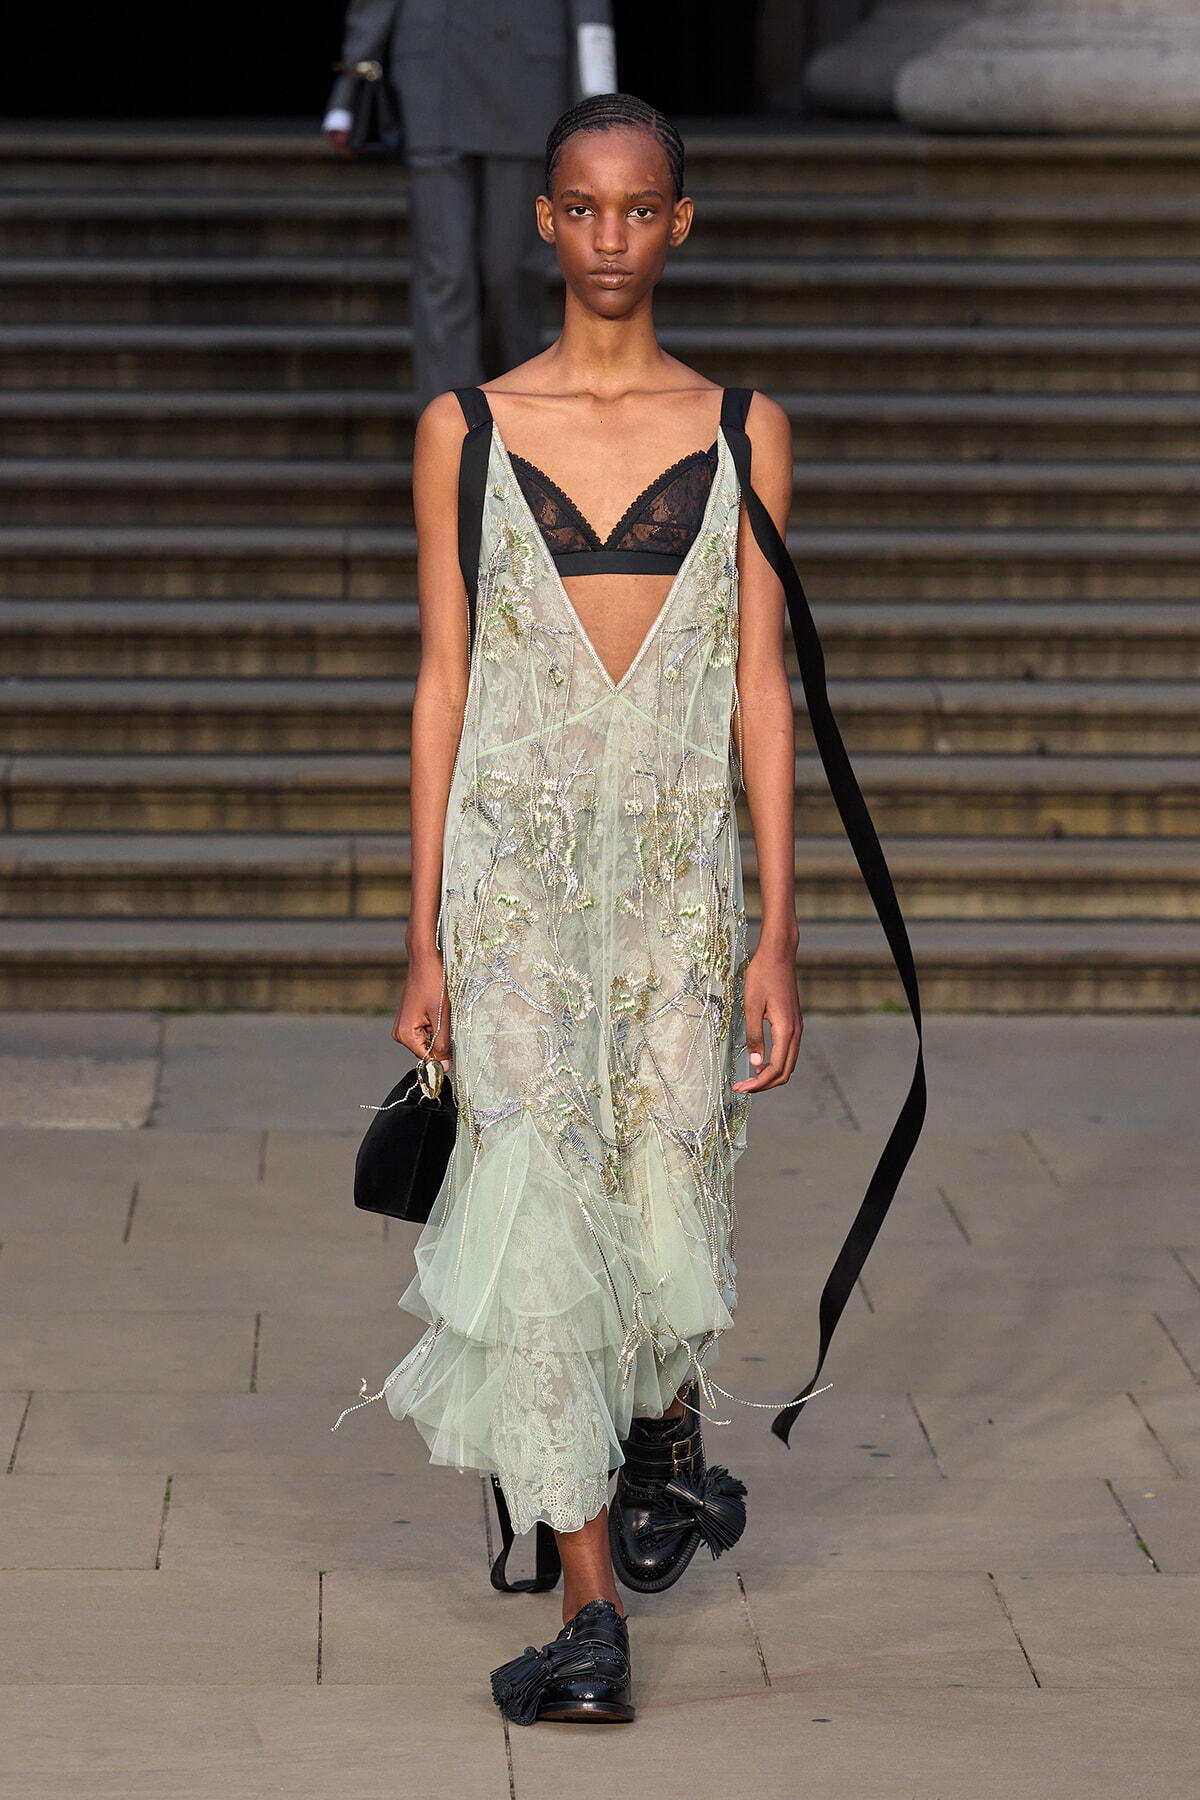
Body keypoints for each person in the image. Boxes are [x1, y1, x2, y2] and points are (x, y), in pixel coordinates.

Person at [350, 91, 807, 1726]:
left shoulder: (744, 426)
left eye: (639, 210)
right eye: (581, 208)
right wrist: (424, 930)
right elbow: (444, 687)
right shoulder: (464, 430)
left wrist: (780, 924)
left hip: (683, 899)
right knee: (539, 1229)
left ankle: (665, 1436)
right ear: (542, 221)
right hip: (518, 900)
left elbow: (758, 686)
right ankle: (591, 1611)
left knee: (663, 1199)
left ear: (678, 224)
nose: (609, 237)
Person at [324, 0, 617, 409]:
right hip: (434, 76)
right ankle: (454, 433)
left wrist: (598, 100)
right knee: (445, 275)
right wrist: (352, 82)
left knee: (511, 272)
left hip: (527, 78)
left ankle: (515, 419)